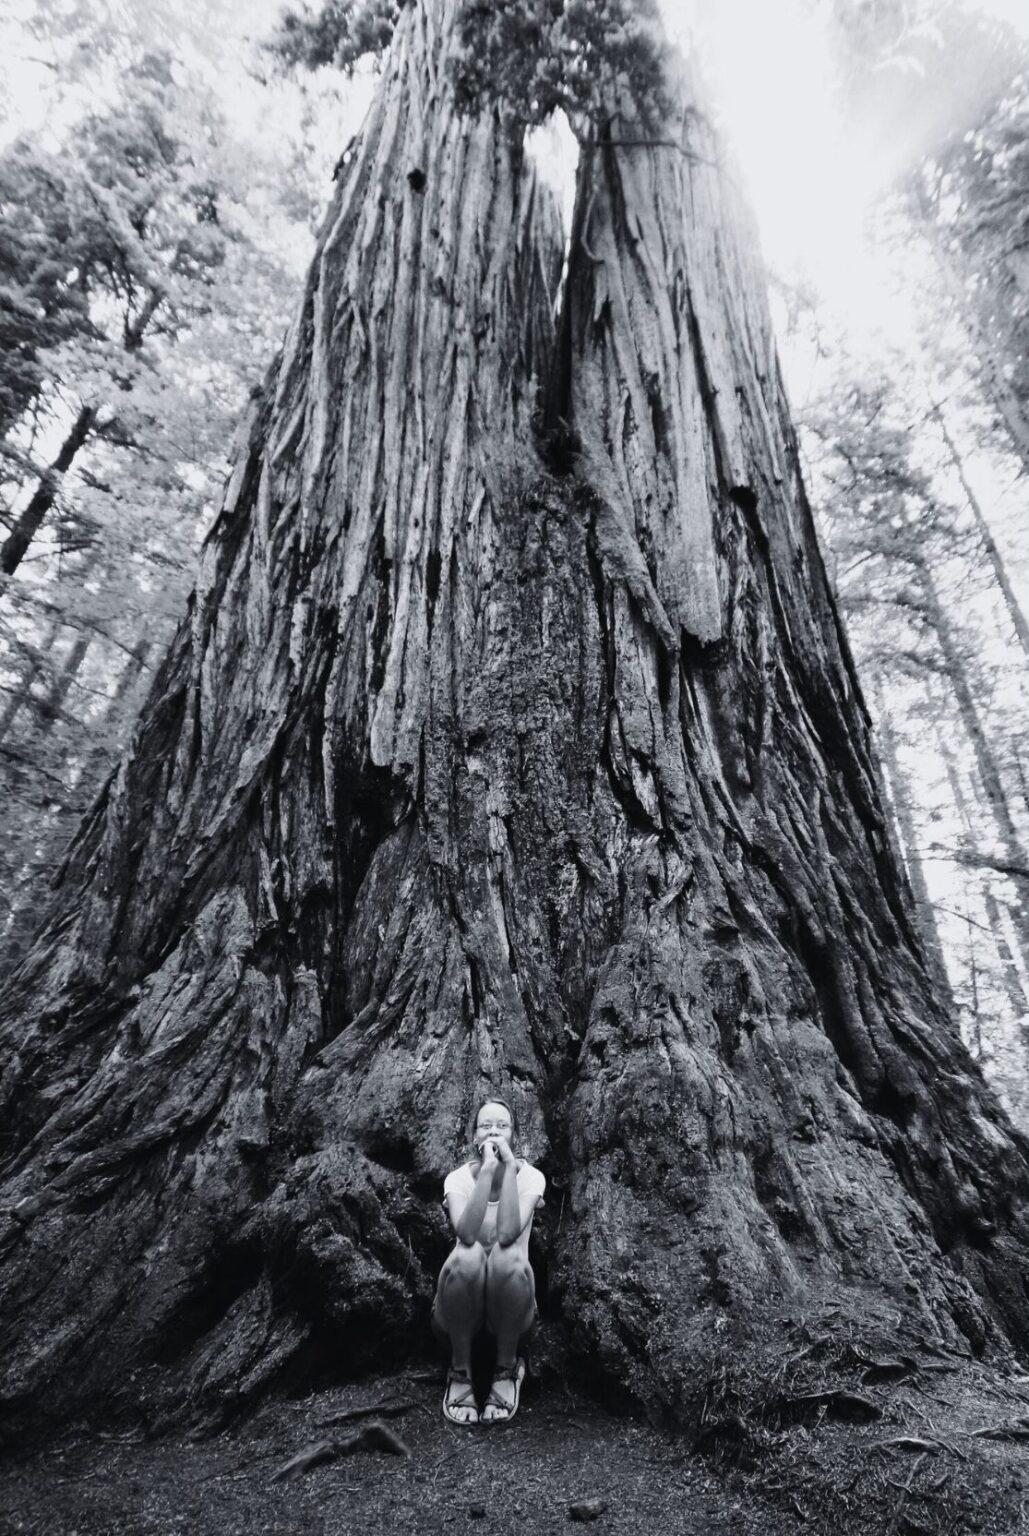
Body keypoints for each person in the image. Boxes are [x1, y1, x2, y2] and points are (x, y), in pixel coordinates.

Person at [432, 1097, 546, 1425]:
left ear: (514, 1136)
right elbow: (466, 1233)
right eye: (486, 1126)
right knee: (467, 1254)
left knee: (507, 1254)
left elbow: (508, 1233)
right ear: (474, 1138)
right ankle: (460, 1370)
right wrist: (486, 1172)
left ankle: (507, 1368)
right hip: (458, 1315)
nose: (494, 1132)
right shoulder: (458, 1179)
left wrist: (508, 1168)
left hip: (509, 1315)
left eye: (502, 1126)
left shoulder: (530, 1177)